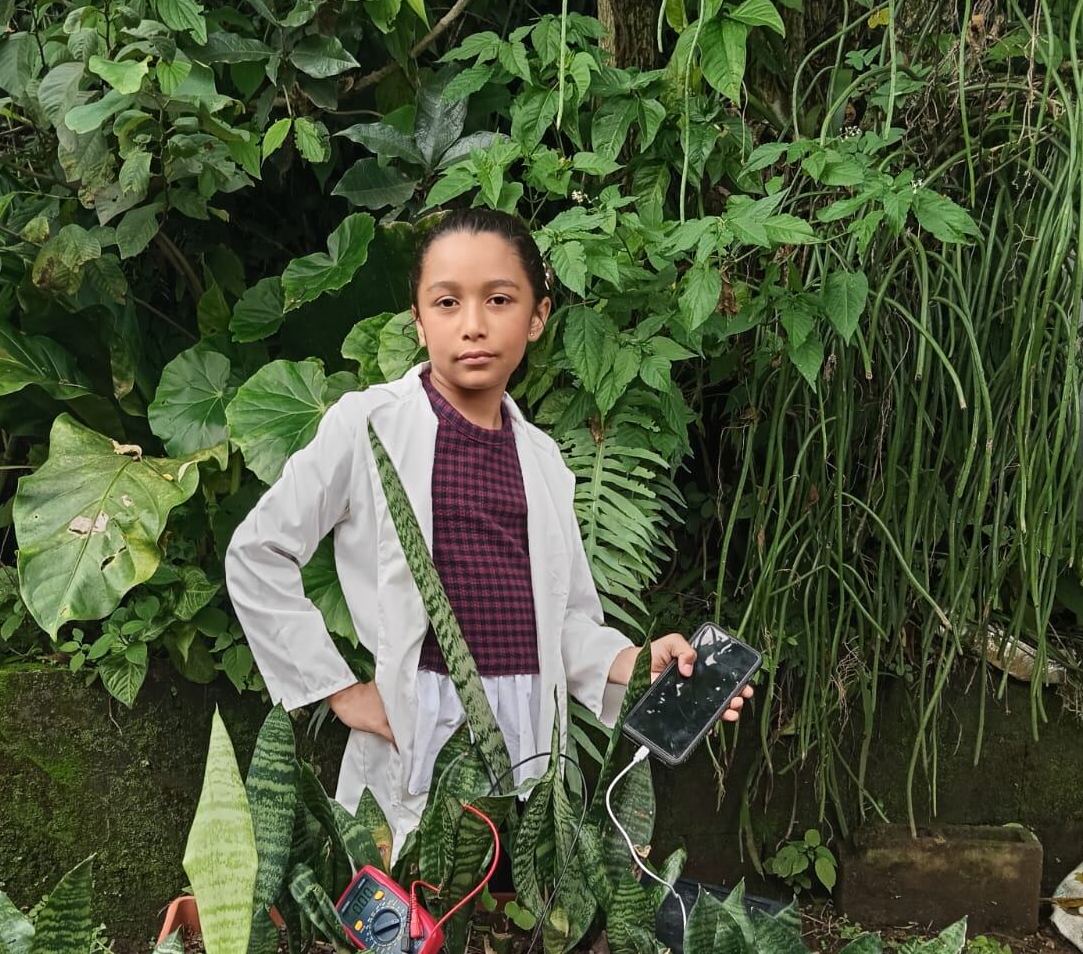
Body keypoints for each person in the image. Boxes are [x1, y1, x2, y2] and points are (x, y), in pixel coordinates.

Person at [226, 207, 752, 854]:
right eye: (447, 302)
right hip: (414, 741)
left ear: (537, 316)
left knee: (517, 929)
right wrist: (338, 689)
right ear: (419, 321)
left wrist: (638, 664)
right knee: (402, 923)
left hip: (531, 751)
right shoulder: (368, 427)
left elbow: (557, 625)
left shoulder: (543, 464)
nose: (473, 324)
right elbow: (258, 552)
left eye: (499, 299)